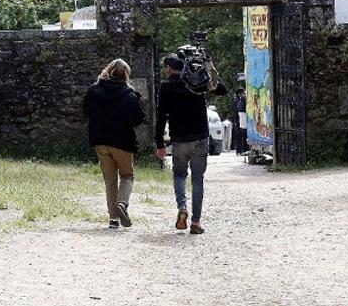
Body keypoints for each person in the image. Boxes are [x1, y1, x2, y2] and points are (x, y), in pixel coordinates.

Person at [154, 55, 227, 234]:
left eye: (165, 67)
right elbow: (222, 90)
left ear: (170, 68)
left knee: (179, 175)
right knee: (197, 180)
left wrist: (159, 143)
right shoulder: (198, 82)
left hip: (179, 139)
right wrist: (208, 70)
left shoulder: (166, 86)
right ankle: (196, 222)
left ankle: (182, 208)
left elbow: (161, 116)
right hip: (200, 138)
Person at [83, 58, 145, 229]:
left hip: (101, 141)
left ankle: (113, 219)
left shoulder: (94, 91)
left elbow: (86, 111)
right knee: (126, 176)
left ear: (108, 70)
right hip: (123, 142)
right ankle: (122, 204)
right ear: (126, 75)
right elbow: (138, 119)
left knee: (110, 181)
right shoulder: (129, 95)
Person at [232, 87, 248, 154]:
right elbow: (236, 110)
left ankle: (240, 150)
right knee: (240, 135)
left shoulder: (239, 100)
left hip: (239, 119)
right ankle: (240, 150)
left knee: (240, 135)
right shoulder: (238, 100)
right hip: (238, 119)